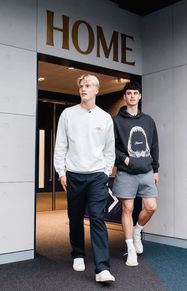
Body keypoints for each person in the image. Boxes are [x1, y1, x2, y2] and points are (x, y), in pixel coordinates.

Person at [54, 74, 115, 282]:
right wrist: (61, 172)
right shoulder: (68, 114)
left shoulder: (105, 118)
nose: (83, 88)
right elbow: (60, 146)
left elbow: (109, 150)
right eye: (81, 85)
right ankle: (78, 253)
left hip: (97, 175)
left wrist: (105, 173)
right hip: (74, 175)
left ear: (97, 90)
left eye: (88, 85)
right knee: (75, 216)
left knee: (97, 218)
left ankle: (102, 268)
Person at [112, 81, 159, 267]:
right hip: (126, 172)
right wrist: (124, 159)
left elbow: (155, 145)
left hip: (147, 170)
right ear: (124, 97)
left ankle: (137, 230)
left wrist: (156, 169)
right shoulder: (116, 121)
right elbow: (110, 146)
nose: (132, 96)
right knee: (128, 209)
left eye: (135, 93)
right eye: (128, 93)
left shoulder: (148, 120)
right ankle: (130, 248)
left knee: (151, 206)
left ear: (139, 96)